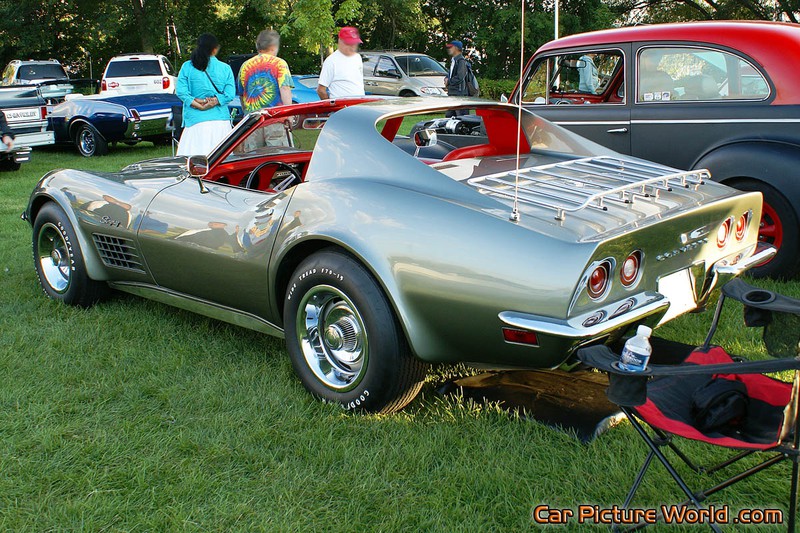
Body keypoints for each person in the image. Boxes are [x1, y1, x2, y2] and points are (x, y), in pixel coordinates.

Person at [176, 33, 236, 156]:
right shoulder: (225, 68)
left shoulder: (187, 66)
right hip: (220, 121)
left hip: (195, 121)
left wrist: (197, 104)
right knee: (222, 161)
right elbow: (230, 94)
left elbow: (181, 91)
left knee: (193, 163)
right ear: (215, 49)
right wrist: (215, 101)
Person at [239, 29, 294, 112]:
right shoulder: (280, 64)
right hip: (274, 117)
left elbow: (241, 94)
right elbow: (285, 88)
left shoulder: (245, 66)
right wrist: (289, 114)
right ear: (273, 47)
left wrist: (246, 113)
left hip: (252, 118)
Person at [316, 27, 365, 100]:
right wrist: (330, 106)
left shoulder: (357, 58)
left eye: (354, 43)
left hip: (359, 104)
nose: (352, 47)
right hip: (341, 106)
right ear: (340, 42)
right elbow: (321, 90)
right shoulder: (331, 61)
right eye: (349, 43)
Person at [444, 40, 469, 117]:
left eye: (451, 47)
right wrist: (446, 78)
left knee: (461, 118)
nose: (449, 49)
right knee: (449, 117)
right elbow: (451, 74)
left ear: (456, 48)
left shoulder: (461, 61)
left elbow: (460, 77)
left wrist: (449, 81)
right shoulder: (454, 61)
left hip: (460, 95)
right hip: (452, 94)